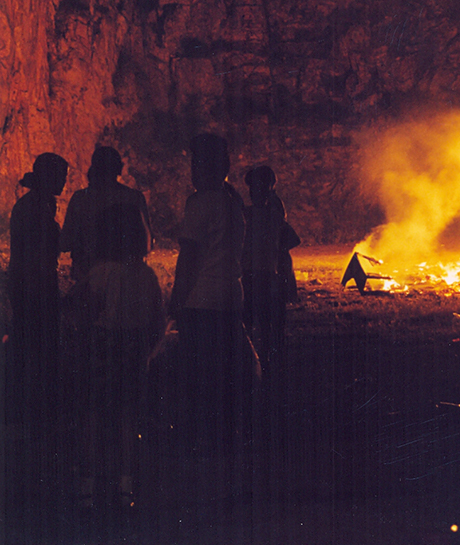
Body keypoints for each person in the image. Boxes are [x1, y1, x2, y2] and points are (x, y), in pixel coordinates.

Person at [168, 133, 254, 458]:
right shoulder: (232, 200)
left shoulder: (200, 202)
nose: (192, 169)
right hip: (230, 296)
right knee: (227, 374)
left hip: (200, 300)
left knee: (198, 375)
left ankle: (199, 442)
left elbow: (190, 255)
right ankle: (229, 438)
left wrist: (177, 297)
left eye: (195, 161)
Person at [73, 204, 164, 511]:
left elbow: (83, 312)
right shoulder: (147, 275)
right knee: (128, 417)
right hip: (134, 348)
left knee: (93, 415)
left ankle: (88, 485)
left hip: (101, 348)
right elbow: (157, 321)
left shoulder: (99, 274)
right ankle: (126, 484)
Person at [5, 152, 69, 536]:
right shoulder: (34, 208)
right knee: (36, 349)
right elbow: (42, 252)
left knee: (32, 349)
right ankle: (32, 414)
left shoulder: (34, 204)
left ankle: (29, 411)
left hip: (31, 285)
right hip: (34, 287)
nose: (63, 181)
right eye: (59, 175)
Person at [60, 146, 151, 284]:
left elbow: (66, 241)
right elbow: (146, 242)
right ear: (118, 169)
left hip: (89, 277)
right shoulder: (134, 197)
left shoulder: (80, 199)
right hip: (126, 278)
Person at [242, 165, 298, 364]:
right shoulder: (272, 213)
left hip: (255, 273)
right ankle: (271, 358)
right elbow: (290, 240)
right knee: (268, 322)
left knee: (254, 319)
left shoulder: (247, 215)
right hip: (265, 273)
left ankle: (259, 359)